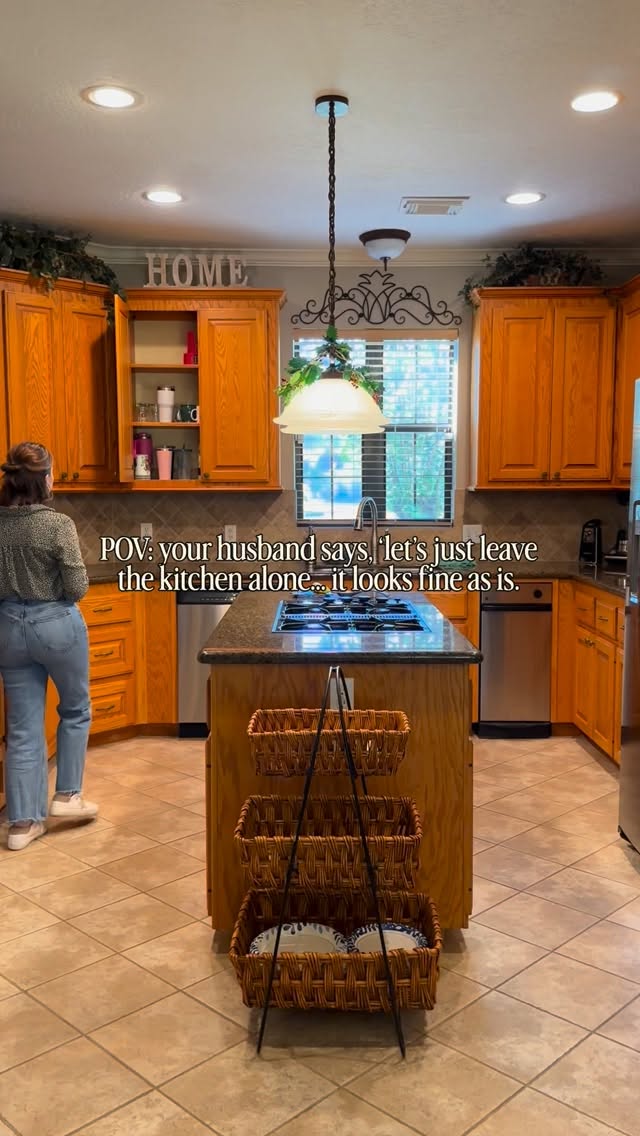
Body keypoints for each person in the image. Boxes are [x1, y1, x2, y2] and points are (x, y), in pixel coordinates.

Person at [0, 441, 97, 850]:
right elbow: (77, 587)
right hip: (55, 623)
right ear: (44, 479)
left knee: (22, 727)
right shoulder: (57, 525)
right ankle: (67, 796)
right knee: (75, 708)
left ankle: (22, 825)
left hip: (7, 626)